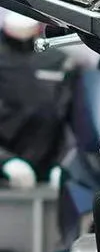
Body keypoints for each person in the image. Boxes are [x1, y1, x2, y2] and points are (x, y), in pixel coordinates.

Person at [0, 12, 74, 189]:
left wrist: (66, 162)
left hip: (49, 171)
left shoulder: (58, 60)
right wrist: (4, 160)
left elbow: (73, 116)